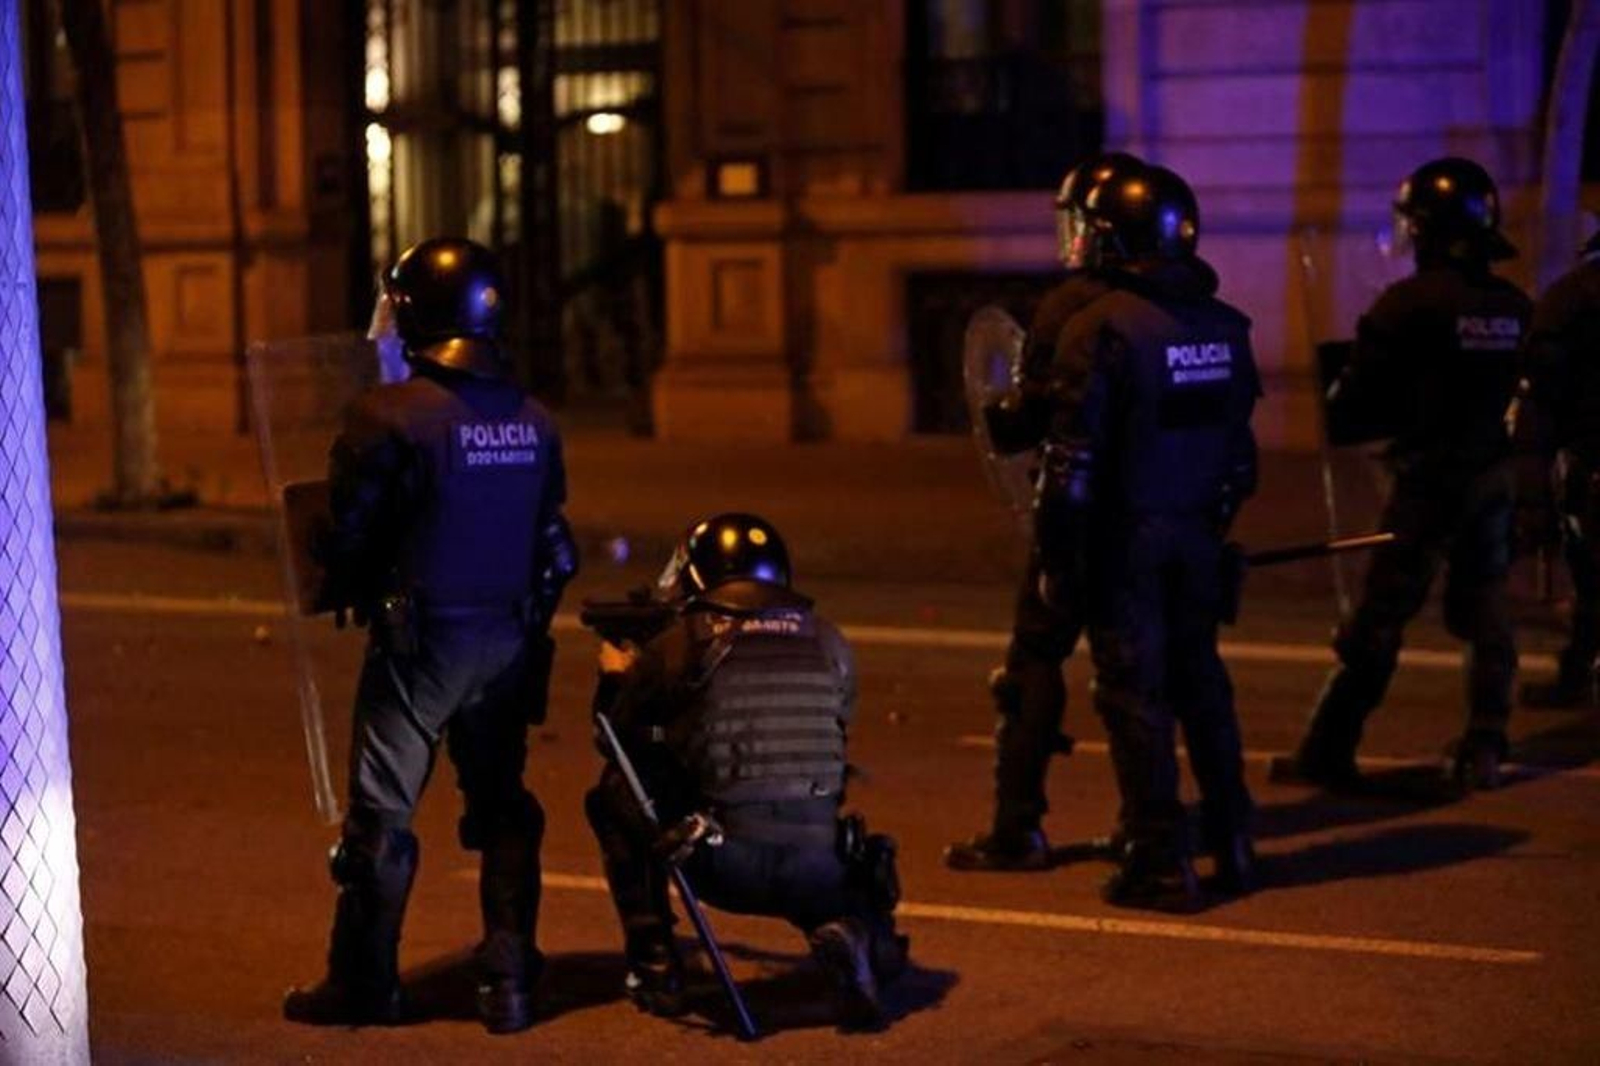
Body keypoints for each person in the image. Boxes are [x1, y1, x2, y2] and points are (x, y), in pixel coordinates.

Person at [283, 237, 578, 1034]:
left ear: (414, 314)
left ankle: (364, 986)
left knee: (380, 821)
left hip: (422, 647)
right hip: (509, 641)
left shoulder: (387, 416)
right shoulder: (536, 420)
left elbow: (350, 540)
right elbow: (557, 546)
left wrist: (332, 557)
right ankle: (510, 979)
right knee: (504, 806)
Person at [585, 514, 908, 1031]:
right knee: (816, 821)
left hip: (725, 863)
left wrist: (619, 679)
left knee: (615, 794)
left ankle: (657, 970)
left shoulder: (682, 642)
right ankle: (853, 931)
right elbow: (835, 731)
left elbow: (615, 742)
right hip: (820, 864)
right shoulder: (829, 640)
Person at [1273, 158, 1532, 792]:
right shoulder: (1513, 307)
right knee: (1487, 609)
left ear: (1424, 230)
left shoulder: (1406, 305)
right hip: (1494, 477)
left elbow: (1357, 403)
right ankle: (1486, 743)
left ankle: (1330, 746)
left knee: (1380, 616)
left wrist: (1340, 391)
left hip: (1426, 482)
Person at [1047, 162, 1262, 911]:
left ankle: (1160, 856)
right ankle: (1234, 838)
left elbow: (1071, 466)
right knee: (1202, 682)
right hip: (1199, 535)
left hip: (1127, 540)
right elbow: (1242, 459)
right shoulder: (1227, 328)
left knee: (1135, 698)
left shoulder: (1101, 328)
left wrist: (1057, 559)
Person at [946, 152, 1151, 873]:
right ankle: (1160, 829)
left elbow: (1044, 426)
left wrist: (1008, 424)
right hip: (1156, 530)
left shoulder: (1076, 309)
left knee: (1035, 664)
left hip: (1082, 526)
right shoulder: (1190, 311)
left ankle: (1018, 826)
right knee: (1150, 678)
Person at [1517, 230, 1600, 707]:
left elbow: (1539, 402)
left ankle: (1577, 677)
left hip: (1592, 469)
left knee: (1593, 583)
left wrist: (1532, 495)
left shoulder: (1573, 296)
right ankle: (1576, 673)